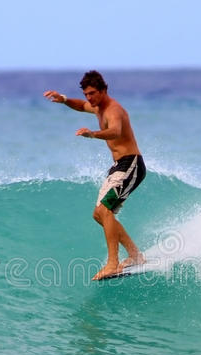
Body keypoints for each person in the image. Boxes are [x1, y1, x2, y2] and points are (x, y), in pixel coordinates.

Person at [44, 71, 147, 280]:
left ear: (103, 90)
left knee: (105, 210)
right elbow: (81, 106)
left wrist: (93, 134)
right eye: (86, 94)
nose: (89, 98)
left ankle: (112, 263)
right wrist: (63, 99)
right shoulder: (97, 107)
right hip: (119, 166)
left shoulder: (114, 110)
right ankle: (135, 255)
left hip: (131, 165)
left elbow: (116, 131)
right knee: (99, 214)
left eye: (92, 93)